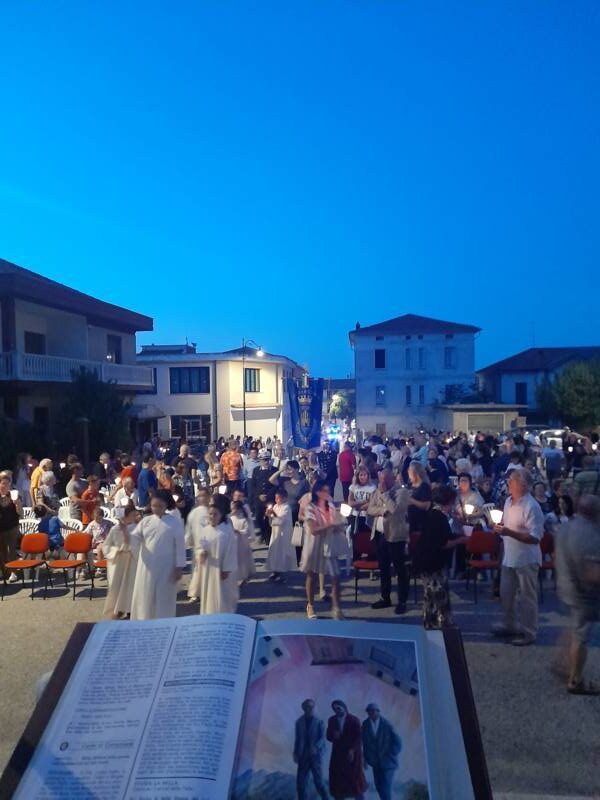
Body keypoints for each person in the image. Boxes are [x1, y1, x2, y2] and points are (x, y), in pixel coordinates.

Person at [492, 469, 545, 646]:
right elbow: (507, 527)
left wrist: (509, 532)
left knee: (527, 597)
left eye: (512, 481)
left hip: (526, 559)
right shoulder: (508, 502)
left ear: (523, 485)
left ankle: (529, 632)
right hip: (509, 557)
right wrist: (500, 528)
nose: (508, 483)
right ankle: (509, 624)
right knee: (506, 594)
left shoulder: (532, 506)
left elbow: (535, 537)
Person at [555, 495, 600, 694]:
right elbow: (593, 574)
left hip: (565, 587)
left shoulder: (566, 527)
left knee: (574, 629)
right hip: (583, 594)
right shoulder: (590, 535)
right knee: (581, 636)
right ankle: (575, 680)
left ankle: (563, 663)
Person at [414, 485, 465, 629]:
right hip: (433, 562)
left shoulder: (433, 514)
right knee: (438, 594)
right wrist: (461, 540)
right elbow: (443, 543)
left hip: (427, 560)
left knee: (430, 595)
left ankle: (430, 622)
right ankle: (442, 622)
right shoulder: (438, 517)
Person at [129, 490, 186, 620]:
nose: (156, 509)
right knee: (145, 592)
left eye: (160, 506)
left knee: (164, 594)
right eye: (154, 506)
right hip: (147, 564)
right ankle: (144, 619)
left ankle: (164, 621)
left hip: (167, 565)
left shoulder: (174, 522)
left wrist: (179, 567)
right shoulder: (146, 521)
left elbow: (180, 545)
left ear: (167, 505)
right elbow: (135, 537)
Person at [300, 480, 347, 620]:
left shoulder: (330, 506)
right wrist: (330, 525)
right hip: (315, 544)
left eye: (328, 491)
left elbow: (337, 523)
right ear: (317, 492)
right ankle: (310, 605)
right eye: (324, 491)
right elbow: (313, 530)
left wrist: (340, 524)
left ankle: (336, 608)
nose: (327, 494)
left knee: (335, 576)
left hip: (329, 544)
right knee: (312, 575)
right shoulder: (310, 507)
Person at [367, 469, 410, 614]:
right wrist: (382, 510)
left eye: (385, 480)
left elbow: (396, 509)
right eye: (381, 479)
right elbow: (370, 509)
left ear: (392, 479)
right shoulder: (376, 491)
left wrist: (385, 494)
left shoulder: (402, 492)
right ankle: (385, 597)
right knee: (383, 568)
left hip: (395, 535)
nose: (382, 482)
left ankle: (402, 601)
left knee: (399, 568)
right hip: (380, 534)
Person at [197, 494, 238, 615]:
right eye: (210, 514)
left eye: (215, 514)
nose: (212, 517)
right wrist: (201, 554)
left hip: (222, 570)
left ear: (221, 514)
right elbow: (200, 546)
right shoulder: (205, 530)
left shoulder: (226, 530)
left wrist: (226, 569)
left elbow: (231, 550)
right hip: (209, 568)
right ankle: (208, 613)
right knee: (209, 591)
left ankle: (223, 614)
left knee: (222, 593)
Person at [102, 502, 139, 619]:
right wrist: (116, 550)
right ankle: (118, 608)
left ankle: (130, 609)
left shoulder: (137, 528)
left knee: (130, 586)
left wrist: (129, 545)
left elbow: (140, 545)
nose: (134, 517)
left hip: (132, 560)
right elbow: (106, 545)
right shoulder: (115, 529)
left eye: (134, 515)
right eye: (132, 515)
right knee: (117, 586)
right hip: (118, 561)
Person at [327, 700, 368, 800]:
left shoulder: (354, 720)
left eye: (338, 708)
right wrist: (333, 735)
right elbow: (328, 736)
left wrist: (352, 750)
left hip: (352, 755)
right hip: (338, 755)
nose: (336, 711)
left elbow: (359, 737)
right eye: (334, 709)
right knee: (338, 780)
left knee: (355, 780)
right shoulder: (332, 720)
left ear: (344, 708)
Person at [361, 703, 402, 800]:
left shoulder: (387, 725)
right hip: (375, 763)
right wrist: (365, 759)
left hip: (388, 764)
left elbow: (398, 742)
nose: (372, 713)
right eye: (370, 711)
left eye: (374, 711)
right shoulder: (365, 725)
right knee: (379, 787)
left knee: (385, 788)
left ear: (378, 712)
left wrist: (391, 754)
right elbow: (364, 743)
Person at [293, 699, 329, 800]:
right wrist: (295, 753)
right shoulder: (299, 722)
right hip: (303, 756)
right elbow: (297, 739)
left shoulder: (319, 722)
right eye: (307, 707)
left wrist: (316, 747)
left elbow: (323, 738)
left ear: (314, 708)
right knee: (301, 784)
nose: (309, 709)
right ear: (304, 708)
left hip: (315, 756)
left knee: (319, 782)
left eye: (311, 707)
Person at [265, 488, 296, 582]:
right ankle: (275, 571)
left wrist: (272, 514)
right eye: (275, 498)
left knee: (282, 553)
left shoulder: (286, 507)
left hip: (283, 534)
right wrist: (269, 515)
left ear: (284, 498)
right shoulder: (275, 506)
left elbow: (281, 520)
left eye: (278, 498)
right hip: (275, 533)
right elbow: (272, 520)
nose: (276, 500)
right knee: (274, 552)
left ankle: (282, 573)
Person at [185, 487, 211, 602]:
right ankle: (195, 592)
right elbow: (189, 528)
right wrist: (188, 541)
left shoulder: (213, 510)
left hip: (211, 545)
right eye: (199, 496)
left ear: (209, 497)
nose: (202, 498)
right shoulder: (194, 512)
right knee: (197, 569)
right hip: (198, 545)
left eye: (204, 495)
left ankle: (208, 591)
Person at [0, 472, 22, 582]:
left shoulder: (14, 495)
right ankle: (4, 571)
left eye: (8, 484)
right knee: (2, 550)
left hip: (12, 526)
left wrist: (17, 503)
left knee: (11, 550)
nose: (6, 486)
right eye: (3, 483)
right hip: (1, 527)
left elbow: (20, 513)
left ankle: (14, 572)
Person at [251, 450, 277, 544]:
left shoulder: (274, 470)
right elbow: (253, 485)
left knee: (269, 517)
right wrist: (258, 495)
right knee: (258, 517)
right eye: (264, 460)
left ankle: (268, 537)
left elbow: (276, 485)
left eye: (267, 459)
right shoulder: (256, 470)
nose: (266, 462)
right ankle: (262, 533)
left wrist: (268, 495)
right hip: (259, 499)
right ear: (260, 460)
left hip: (270, 498)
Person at [229, 500, 255, 584]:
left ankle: (243, 576)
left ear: (239, 510)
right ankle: (235, 576)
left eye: (234, 509)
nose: (232, 511)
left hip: (242, 542)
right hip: (233, 542)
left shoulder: (244, 519)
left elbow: (247, 531)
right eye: (232, 509)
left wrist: (239, 531)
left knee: (242, 560)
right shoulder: (230, 519)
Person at [348, 467, 377, 535]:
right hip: (355, 515)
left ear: (368, 476)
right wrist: (364, 502)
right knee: (355, 536)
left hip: (367, 516)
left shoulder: (372, 487)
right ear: (357, 476)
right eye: (361, 475)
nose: (363, 477)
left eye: (365, 475)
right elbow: (350, 503)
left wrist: (358, 506)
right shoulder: (353, 487)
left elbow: (372, 503)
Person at [406, 462, 432, 534]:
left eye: (410, 474)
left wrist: (411, 501)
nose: (409, 477)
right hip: (409, 521)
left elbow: (426, 506)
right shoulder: (410, 485)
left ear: (416, 474)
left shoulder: (424, 487)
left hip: (420, 522)